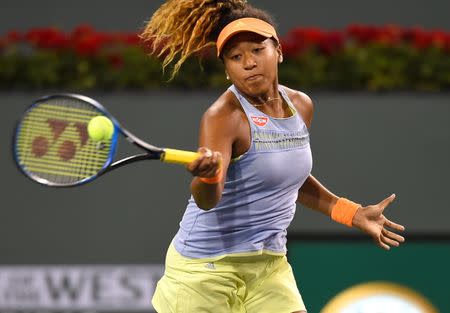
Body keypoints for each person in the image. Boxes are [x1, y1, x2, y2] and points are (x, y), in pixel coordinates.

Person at [141, 1, 406, 312]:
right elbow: (206, 199)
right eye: (236, 57)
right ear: (227, 70)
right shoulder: (223, 117)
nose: (249, 62)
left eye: (257, 50)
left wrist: (352, 213)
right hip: (204, 270)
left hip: (268, 266)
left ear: (278, 50)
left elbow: (286, 179)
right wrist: (208, 175)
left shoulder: (300, 105)